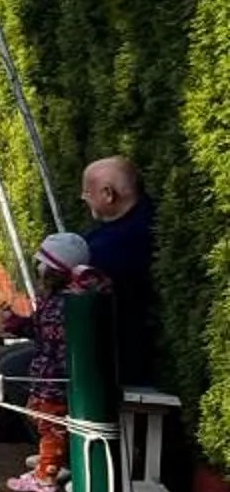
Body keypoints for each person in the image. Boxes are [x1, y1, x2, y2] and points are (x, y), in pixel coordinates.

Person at [0, 231, 99, 492]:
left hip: (54, 381)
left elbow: (46, 336)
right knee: (47, 424)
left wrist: (22, 324)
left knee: (51, 427)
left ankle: (47, 474)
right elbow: (38, 330)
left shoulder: (61, 305)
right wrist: (17, 324)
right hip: (52, 379)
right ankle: (51, 461)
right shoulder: (63, 301)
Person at [79, 155, 160, 385]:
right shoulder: (145, 219)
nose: (83, 199)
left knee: (11, 368)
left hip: (112, 357)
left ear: (108, 194)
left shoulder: (112, 246)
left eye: (87, 193)